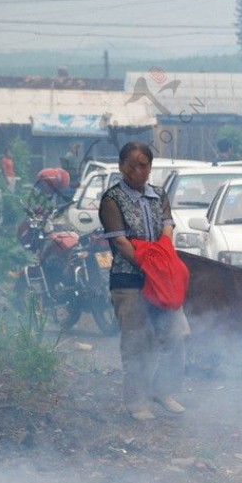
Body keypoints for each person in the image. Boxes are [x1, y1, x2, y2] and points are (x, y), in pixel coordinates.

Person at [98, 142, 191, 420]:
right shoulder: (111, 200)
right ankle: (137, 401)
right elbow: (121, 242)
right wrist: (150, 263)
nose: (137, 171)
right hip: (129, 280)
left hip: (161, 280)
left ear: (150, 167)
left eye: (143, 165)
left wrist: (160, 262)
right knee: (137, 342)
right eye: (131, 164)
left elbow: (167, 228)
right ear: (121, 166)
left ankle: (163, 391)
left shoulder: (159, 195)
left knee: (178, 334)